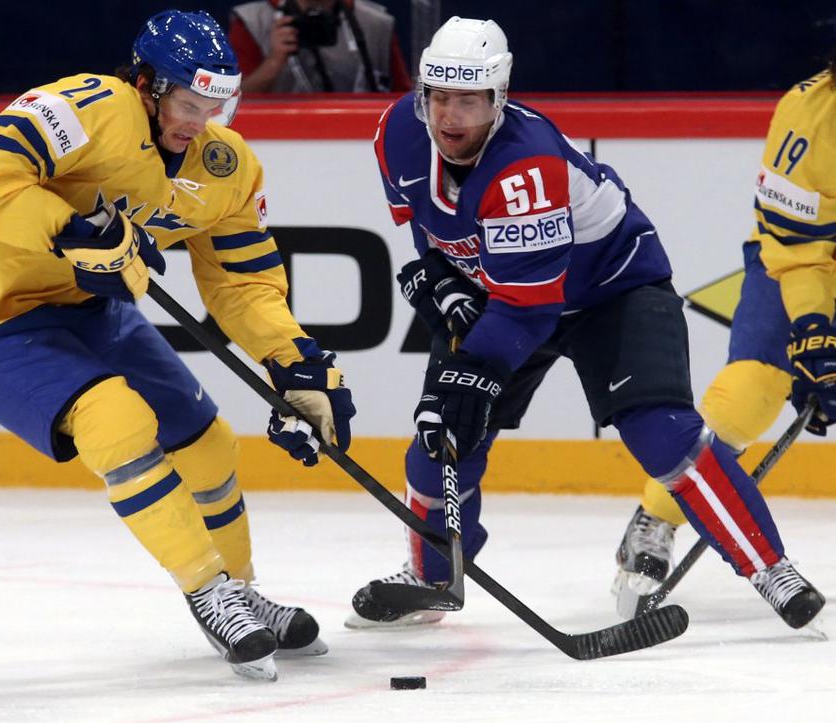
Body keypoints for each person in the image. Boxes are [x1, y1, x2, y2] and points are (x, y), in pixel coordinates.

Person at [0, 9, 355, 682]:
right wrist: (70, 227)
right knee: (115, 418)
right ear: (146, 85)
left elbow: (241, 282)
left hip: (86, 305)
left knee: (207, 440)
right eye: (189, 104)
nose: (201, 122)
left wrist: (293, 361)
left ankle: (239, 587)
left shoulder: (226, 167)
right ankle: (207, 589)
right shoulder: (90, 106)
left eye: (217, 106)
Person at [345, 16, 825, 632]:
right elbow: (431, 226)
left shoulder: (527, 165)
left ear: (498, 98)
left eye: (468, 100)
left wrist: (473, 370)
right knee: (440, 437)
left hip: (612, 291)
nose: (448, 116)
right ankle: (433, 577)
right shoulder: (397, 133)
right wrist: (441, 275)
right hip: (507, 295)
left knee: (663, 433)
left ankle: (770, 568)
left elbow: (529, 307)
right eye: (438, 97)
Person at [612, 57, 836, 617]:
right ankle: (657, 514)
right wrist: (814, 330)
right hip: (802, 266)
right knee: (751, 391)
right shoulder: (808, 115)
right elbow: (797, 250)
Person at [228, 0, 411, 93]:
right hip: (277, 138)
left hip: (360, 136)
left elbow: (402, 96)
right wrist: (273, 62)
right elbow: (229, 102)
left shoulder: (376, 24)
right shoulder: (253, 21)